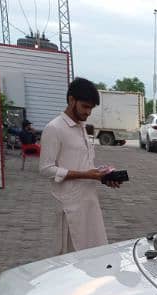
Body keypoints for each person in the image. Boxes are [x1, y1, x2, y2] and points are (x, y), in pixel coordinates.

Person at [39, 78, 121, 255]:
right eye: (85, 106)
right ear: (71, 100)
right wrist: (87, 174)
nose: (88, 112)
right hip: (69, 206)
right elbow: (45, 169)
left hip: (89, 202)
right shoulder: (54, 128)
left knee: (94, 255)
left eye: (91, 108)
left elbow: (84, 164)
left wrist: (103, 175)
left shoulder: (81, 127)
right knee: (71, 258)